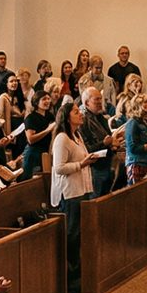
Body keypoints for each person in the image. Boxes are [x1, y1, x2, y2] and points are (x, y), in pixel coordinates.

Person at [51, 100, 99, 278]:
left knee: (81, 233)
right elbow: (59, 168)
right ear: (66, 117)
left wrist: (89, 159)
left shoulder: (76, 136)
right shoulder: (62, 138)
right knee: (72, 234)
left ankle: (79, 273)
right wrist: (82, 163)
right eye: (76, 111)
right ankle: (70, 276)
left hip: (83, 188)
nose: (81, 114)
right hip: (70, 192)